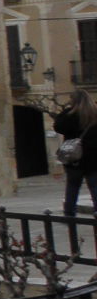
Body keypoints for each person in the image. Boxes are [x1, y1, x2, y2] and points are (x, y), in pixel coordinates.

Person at [55, 90, 97, 235]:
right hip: (93, 158)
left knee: (72, 186)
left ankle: (69, 214)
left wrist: (64, 109)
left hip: (74, 159)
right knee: (95, 186)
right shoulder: (94, 113)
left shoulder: (69, 115)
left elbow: (57, 127)